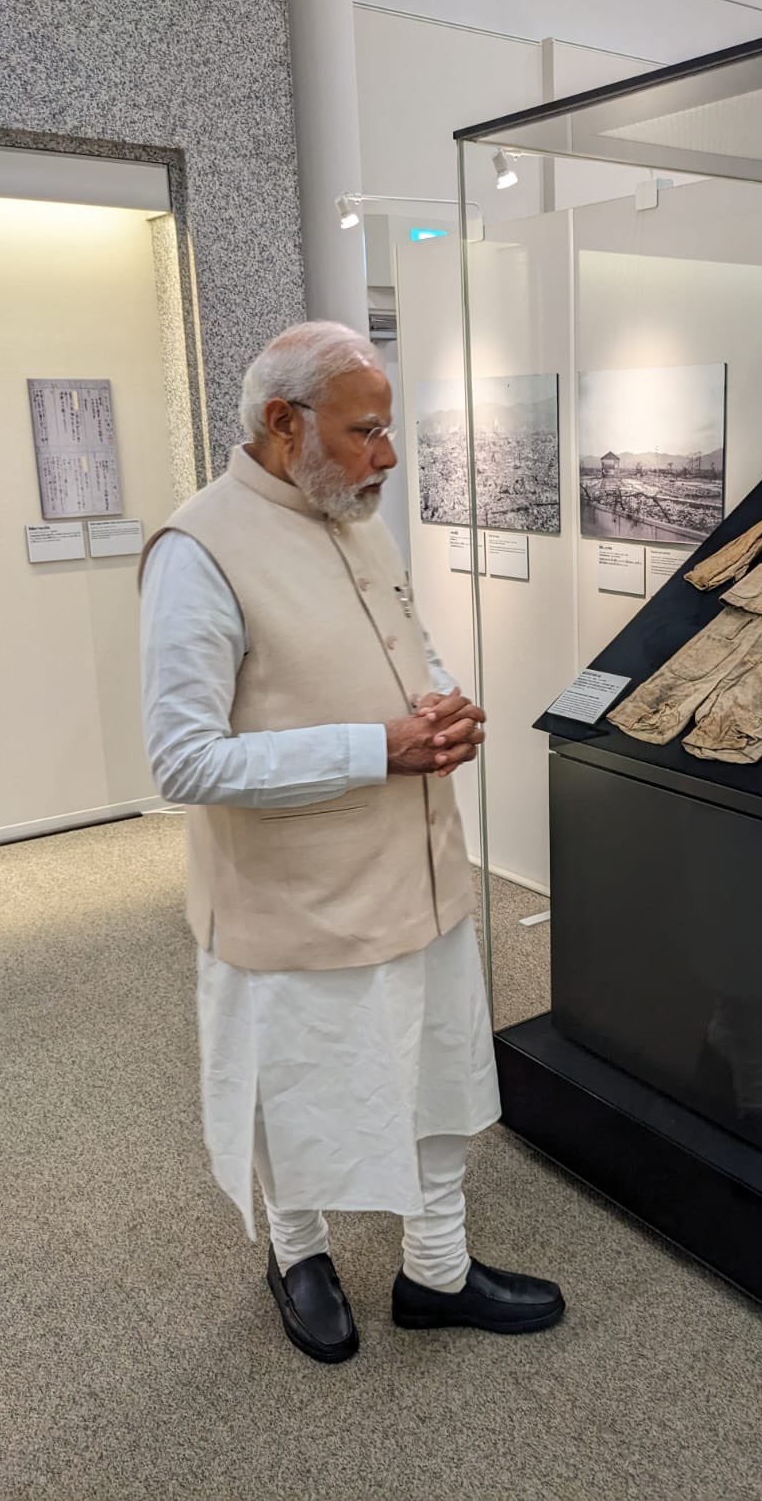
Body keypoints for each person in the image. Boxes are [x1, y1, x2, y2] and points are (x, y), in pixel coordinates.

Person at [139, 321, 563, 1364]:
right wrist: (378, 748)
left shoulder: (356, 516)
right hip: (294, 901)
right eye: (365, 430)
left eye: (386, 429)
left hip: (418, 873)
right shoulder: (197, 551)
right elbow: (183, 761)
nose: (389, 455)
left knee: (439, 1074)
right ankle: (298, 1255)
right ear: (284, 423)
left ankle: (438, 1269)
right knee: (298, 1091)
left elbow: (406, 645)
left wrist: (444, 705)